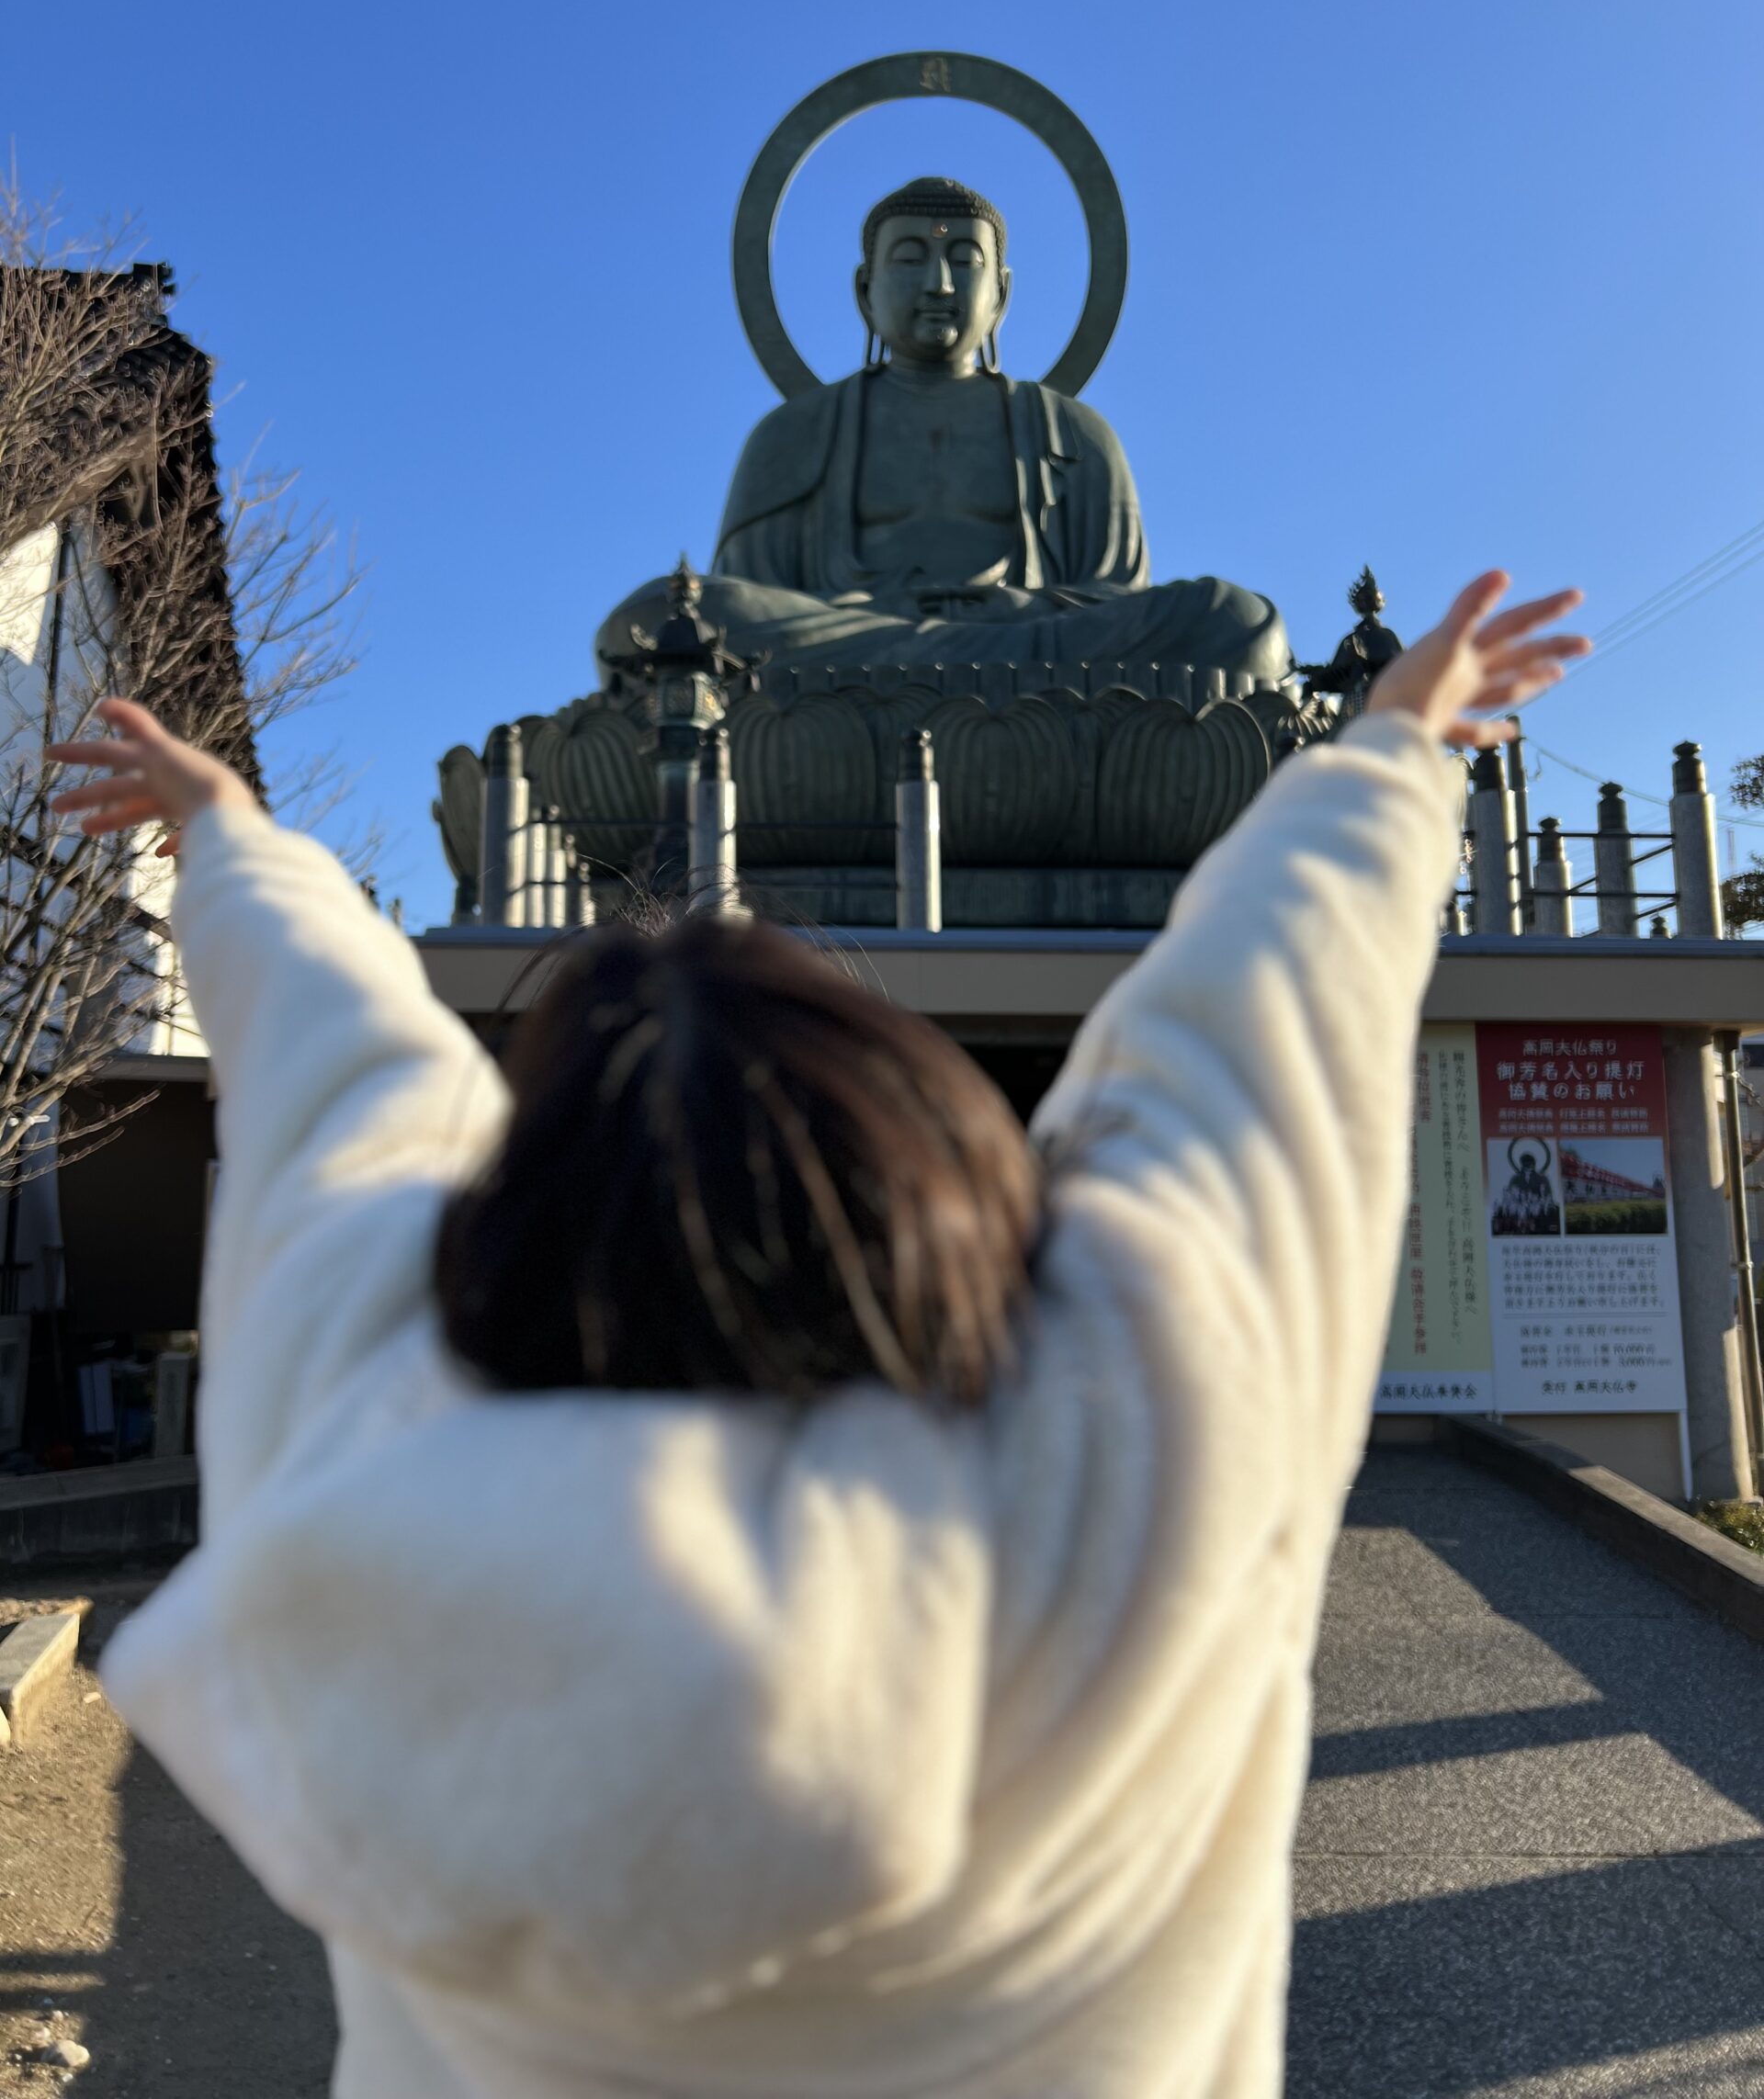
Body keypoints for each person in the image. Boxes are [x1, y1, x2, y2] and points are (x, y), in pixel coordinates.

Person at [51, 570, 1586, 2099]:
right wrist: (1388, 752)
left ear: (508, 1218)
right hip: (860, 663)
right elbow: (1265, 1028)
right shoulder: (1145, 1429)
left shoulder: (357, 1434)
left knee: (1209, 628)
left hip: (997, 651)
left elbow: (345, 1095)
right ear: (947, 1171)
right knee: (695, 610)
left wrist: (230, 850)